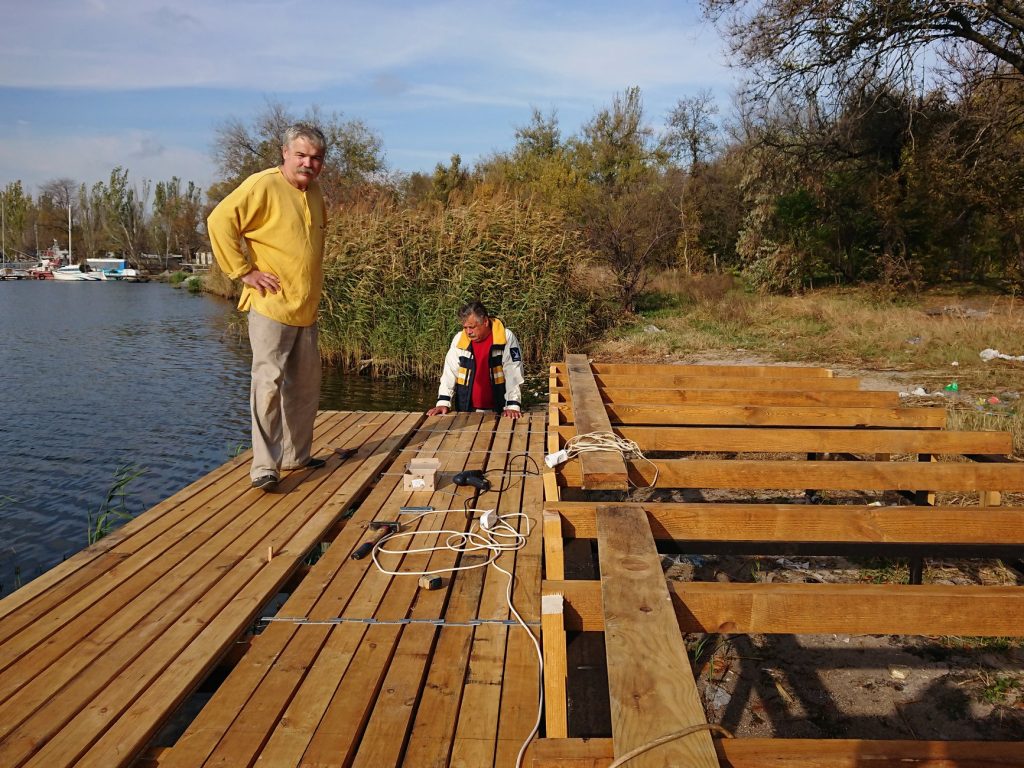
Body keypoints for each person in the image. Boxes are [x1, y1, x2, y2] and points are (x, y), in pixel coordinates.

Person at [207, 122, 329, 491]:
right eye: (302, 155)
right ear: (285, 153)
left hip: (305, 309)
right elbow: (219, 220)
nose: (308, 163)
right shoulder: (263, 184)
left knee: (305, 388)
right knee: (268, 385)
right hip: (272, 306)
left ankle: (296, 456)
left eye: (316, 158)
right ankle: (264, 466)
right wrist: (243, 271)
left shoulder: (315, 191)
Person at [427, 301, 525, 420]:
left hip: (500, 411)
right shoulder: (459, 339)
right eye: (465, 327)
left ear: (485, 322)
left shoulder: (505, 337)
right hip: (466, 410)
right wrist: (443, 402)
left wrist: (513, 405)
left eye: (472, 327)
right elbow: (449, 372)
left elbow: (513, 371)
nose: (468, 332)